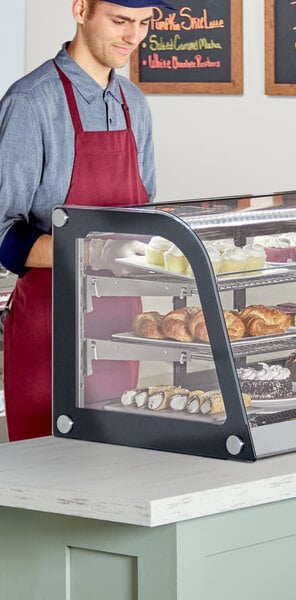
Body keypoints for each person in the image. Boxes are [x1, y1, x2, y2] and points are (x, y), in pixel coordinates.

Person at [0, 0, 175, 441]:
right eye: (119, 21)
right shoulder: (30, 102)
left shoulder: (133, 102)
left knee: (114, 468)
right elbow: (3, 235)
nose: (132, 37)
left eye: (143, 24)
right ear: (80, 10)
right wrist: (92, 249)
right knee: (47, 479)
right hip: (50, 328)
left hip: (122, 326)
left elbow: (144, 211)